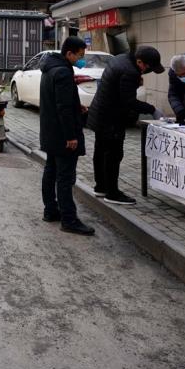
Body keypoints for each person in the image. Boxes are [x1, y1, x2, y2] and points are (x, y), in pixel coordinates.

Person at [88, 46, 164, 205]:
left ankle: (101, 186)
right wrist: (152, 110)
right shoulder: (130, 72)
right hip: (111, 118)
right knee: (114, 155)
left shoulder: (120, 58)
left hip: (100, 113)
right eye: (147, 67)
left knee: (101, 151)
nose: (146, 71)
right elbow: (129, 101)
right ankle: (112, 193)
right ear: (140, 61)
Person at [39, 37, 95, 235]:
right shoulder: (62, 71)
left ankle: (50, 210)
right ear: (69, 53)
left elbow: (58, 100)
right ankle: (69, 220)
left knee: (51, 172)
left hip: (50, 131)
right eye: (80, 55)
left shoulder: (50, 68)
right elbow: (62, 107)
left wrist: (76, 105)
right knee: (65, 178)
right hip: (63, 135)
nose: (81, 59)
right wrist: (71, 136)